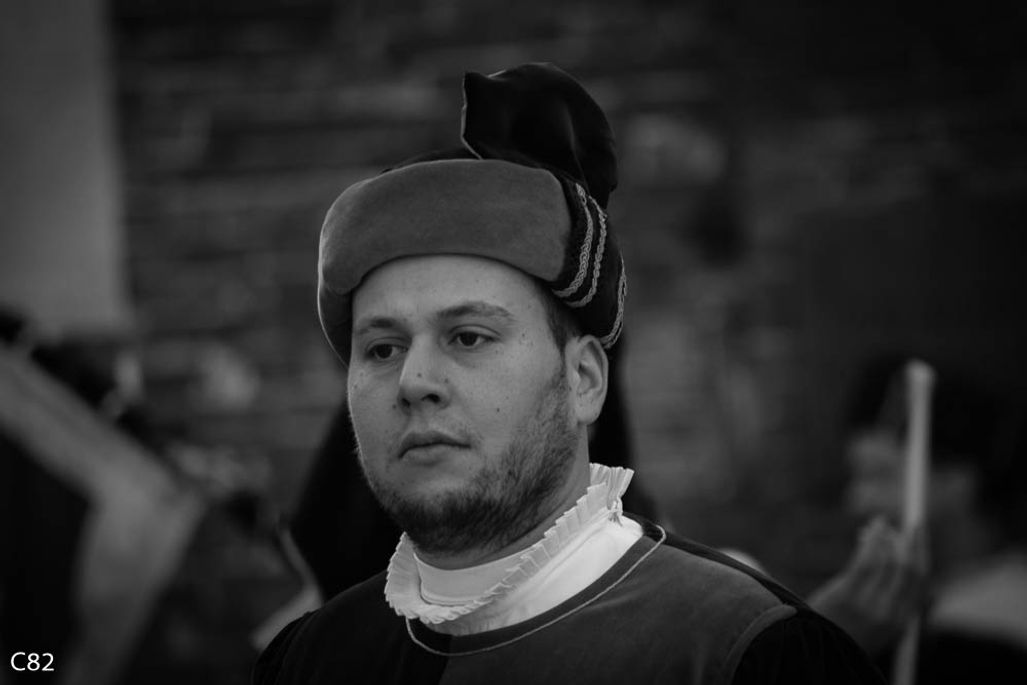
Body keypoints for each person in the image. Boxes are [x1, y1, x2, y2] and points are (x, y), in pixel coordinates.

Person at [252, 62, 884, 685]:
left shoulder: (746, 649)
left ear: (584, 379)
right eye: (382, 349)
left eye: (468, 336)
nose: (414, 381)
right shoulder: (309, 662)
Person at [809, 354, 1027, 682]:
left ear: (958, 480)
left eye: (878, 475)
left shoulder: (988, 639)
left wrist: (824, 647)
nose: (855, 500)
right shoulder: (919, 615)